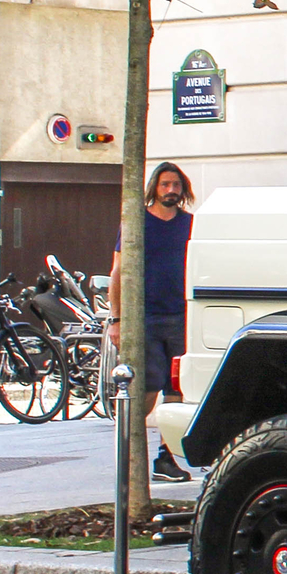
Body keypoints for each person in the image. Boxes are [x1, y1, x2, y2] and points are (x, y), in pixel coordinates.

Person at [109, 162, 195, 485]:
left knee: (177, 388)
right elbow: (117, 272)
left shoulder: (189, 225)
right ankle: (128, 454)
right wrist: (116, 319)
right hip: (145, 317)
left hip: (181, 316)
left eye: (175, 185)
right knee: (148, 387)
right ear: (154, 188)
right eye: (165, 185)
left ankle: (167, 457)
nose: (171, 191)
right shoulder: (137, 223)